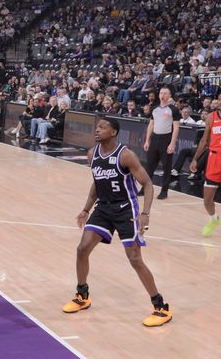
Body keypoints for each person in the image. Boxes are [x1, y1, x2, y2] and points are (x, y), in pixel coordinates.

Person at [64, 117, 171, 327]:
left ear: (113, 132)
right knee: (82, 249)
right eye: (97, 127)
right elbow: (97, 182)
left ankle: (160, 307)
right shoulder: (91, 154)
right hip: (103, 208)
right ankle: (82, 296)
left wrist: (145, 214)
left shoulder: (125, 155)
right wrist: (86, 209)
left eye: (103, 127)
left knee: (134, 259)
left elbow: (148, 184)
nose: (98, 130)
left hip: (126, 209)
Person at [191, 106, 221, 236]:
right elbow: (204, 140)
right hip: (214, 159)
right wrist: (195, 159)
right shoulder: (211, 117)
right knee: (207, 200)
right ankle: (214, 219)